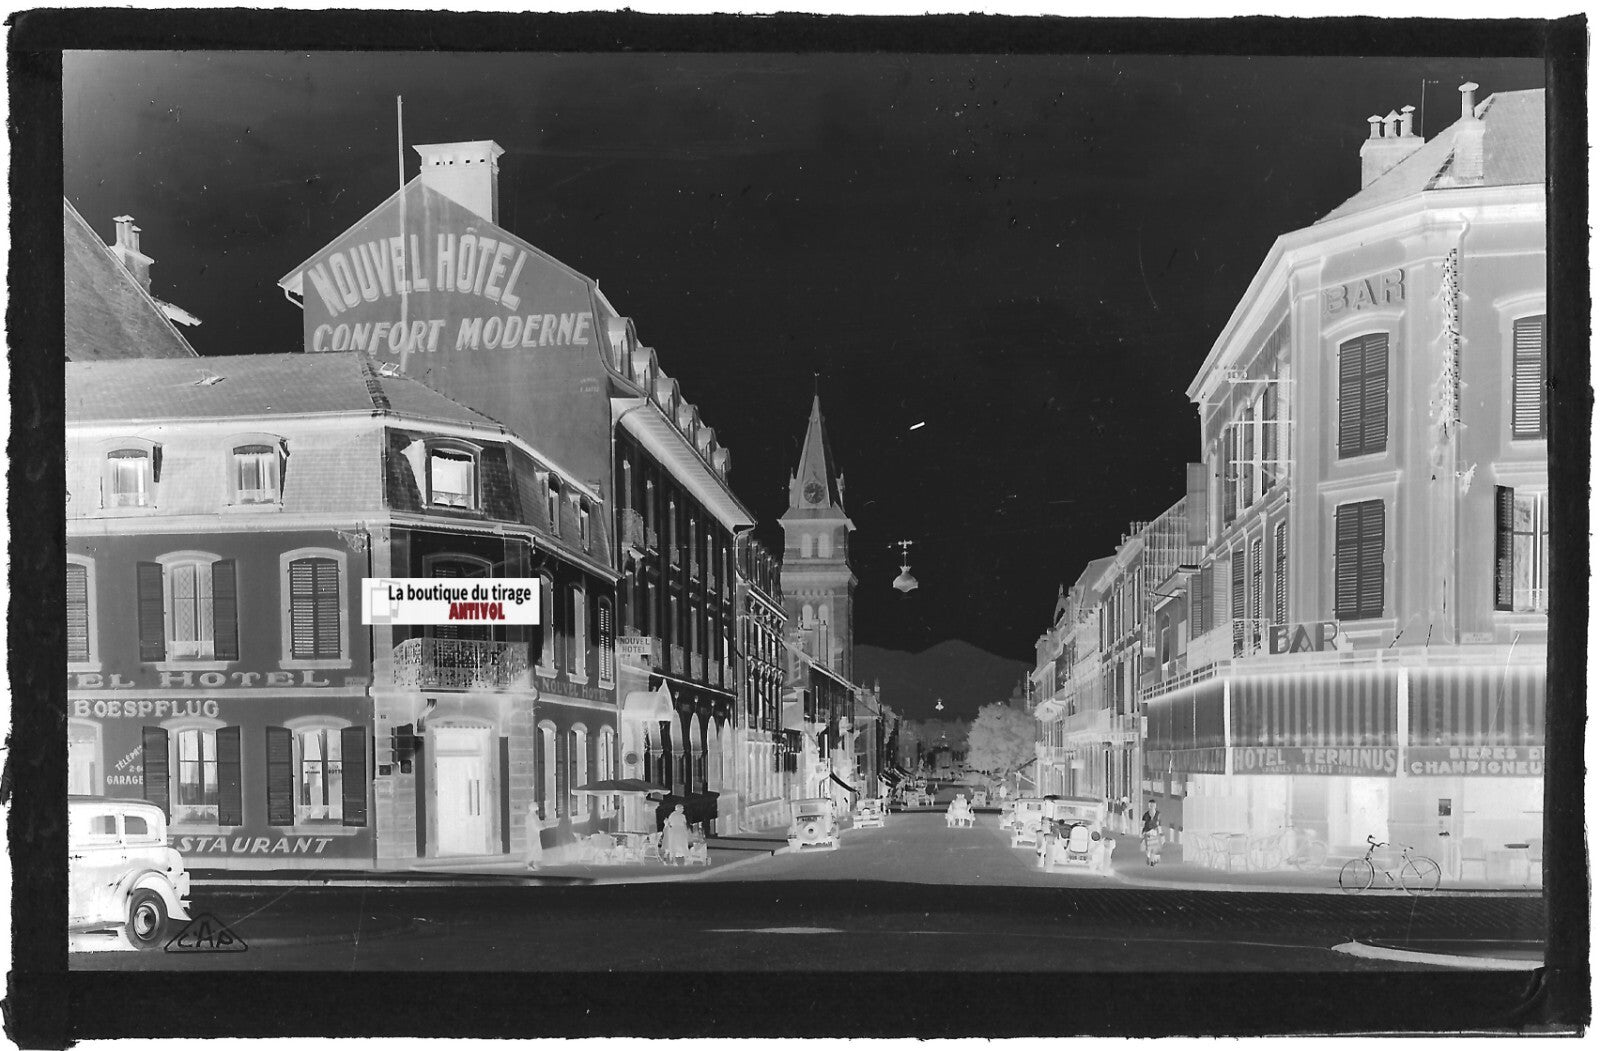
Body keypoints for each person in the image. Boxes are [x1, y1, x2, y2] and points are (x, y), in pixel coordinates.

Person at [525, 802, 546, 870]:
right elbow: (537, 826)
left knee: (531, 849)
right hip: (534, 835)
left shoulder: (528, 816)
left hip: (530, 835)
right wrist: (543, 826)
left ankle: (530, 864)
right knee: (534, 849)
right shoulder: (534, 816)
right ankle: (530, 864)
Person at [1141, 800, 1162, 867]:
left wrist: (1160, 833)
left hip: (1155, 832)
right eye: (1151, 805)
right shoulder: (1146, 815)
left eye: (1153, 805)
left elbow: (1159, 824)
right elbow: (1142, 824)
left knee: (1154, 847)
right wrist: (1142, 832)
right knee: (1149, 847)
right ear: (1149, 806)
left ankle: (1153, 860)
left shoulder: (1158, 814)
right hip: (1148, 832)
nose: (1152, 807)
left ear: (1155, 806)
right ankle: (1149, 858)